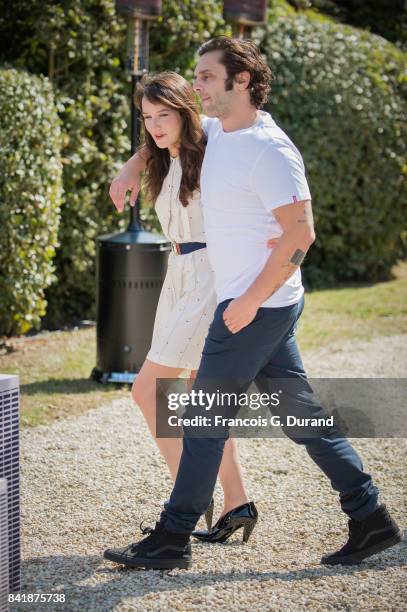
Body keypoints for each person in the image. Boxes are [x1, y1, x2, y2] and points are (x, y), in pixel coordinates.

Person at [104, 37, 401, 571]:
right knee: (301, 417)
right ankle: (371, 516)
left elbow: (301, 233)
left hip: (252, 307)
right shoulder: (220, 131)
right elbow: (167, 134)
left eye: (206, 77)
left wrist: (249, 302)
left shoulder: (269, 148)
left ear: (241, 81)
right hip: (253, 303)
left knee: (201, 420)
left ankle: (172, 538)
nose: (196, 86)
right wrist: (132, 165)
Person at [109, 71, 267, 538]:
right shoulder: (163, 156)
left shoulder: (213, 143)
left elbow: (231, 136)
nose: (155, 126)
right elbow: (154, 145)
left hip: (212, 277)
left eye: (164, 115)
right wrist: (132, 165)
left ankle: (186, 500)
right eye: (147, 117)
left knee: (148, 390)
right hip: (177, 275)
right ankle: (237, 503)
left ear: (185, 110)